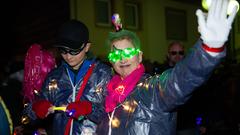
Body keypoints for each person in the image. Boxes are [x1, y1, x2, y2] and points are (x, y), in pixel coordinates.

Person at [96, 0, 238, 135]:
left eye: (128, 52)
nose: (122, 59)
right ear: (111, 61)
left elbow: (178, 82)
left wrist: (208, 51)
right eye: (116, 56)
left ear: (139, 57)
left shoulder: (151, 91)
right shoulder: (108, 92)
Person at [23, 20, 112, 135]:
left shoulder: (103, 74)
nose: (68, 56)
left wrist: (90, 109)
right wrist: (35, 108)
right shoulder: (54, 77)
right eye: (63, 51)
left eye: (74, 51)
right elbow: (27, 117)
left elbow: (115, 114)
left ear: (87, 47)